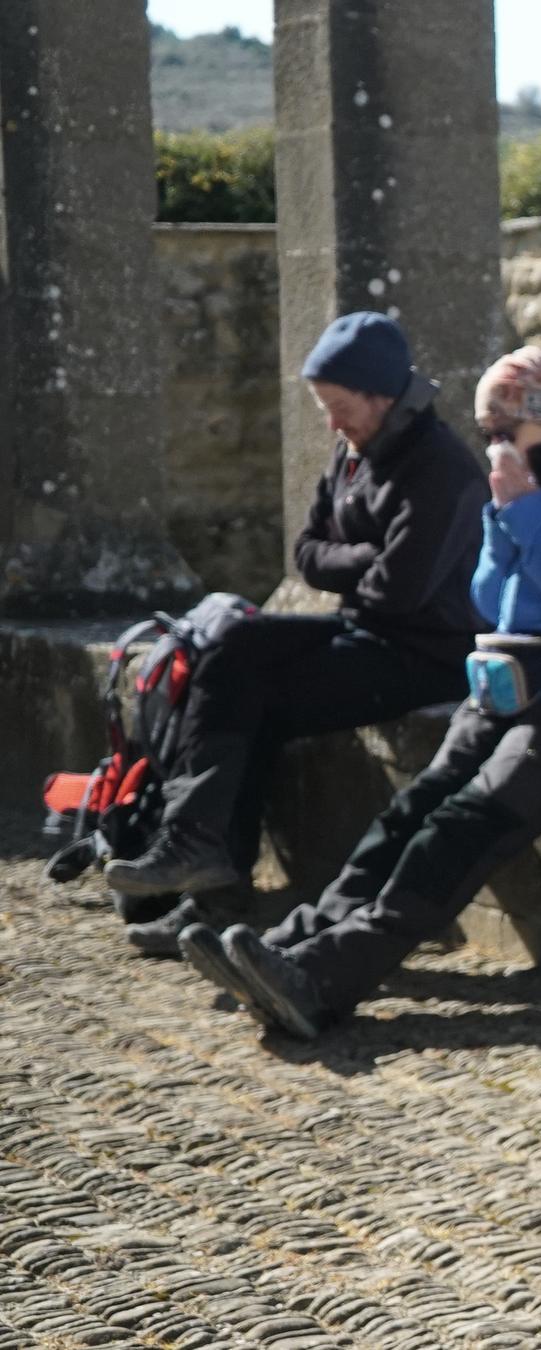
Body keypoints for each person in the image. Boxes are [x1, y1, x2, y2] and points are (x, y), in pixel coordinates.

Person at [176, 348, 541, 1040]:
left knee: (463, 825)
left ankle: (325, 978)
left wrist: (527, 515)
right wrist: (506, 521)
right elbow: (486, 598)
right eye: (488, 434)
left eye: (505, 431)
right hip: (518, 677)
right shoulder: (525, 474)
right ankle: (296, 943)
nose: (494, 446)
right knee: (412, 808)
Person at [105, 312, 485, 953]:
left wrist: (357, 560)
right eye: (325, 410)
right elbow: (305, 552)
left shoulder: (440, 467)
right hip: (363, 628)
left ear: (382, 396)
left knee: (252, 695)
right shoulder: (353, 451)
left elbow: (402, 590)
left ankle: (211, 883)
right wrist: (370, 554)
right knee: (229, 647)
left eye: (341, 408)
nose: (332, 425)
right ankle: (203, 867)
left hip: (426, 653)